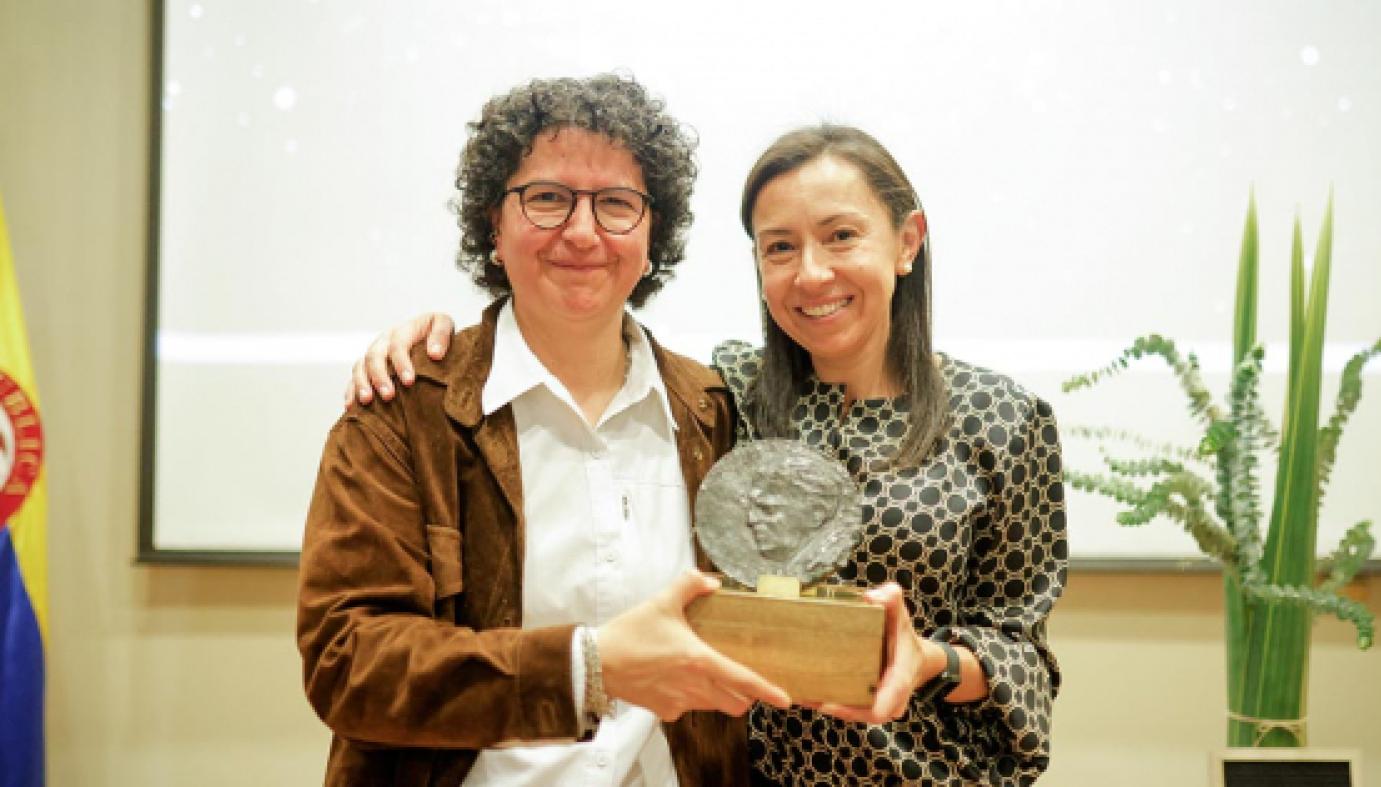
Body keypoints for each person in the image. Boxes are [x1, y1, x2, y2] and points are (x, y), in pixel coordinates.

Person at [350, 125, 1068, 785]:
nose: (811, 273)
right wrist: (437, 335)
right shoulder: (728, 399)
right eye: (779, 246)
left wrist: (930, 662)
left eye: (841, 235)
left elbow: (1025, 654)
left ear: (908, 240)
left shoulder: (1002, 420)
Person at [296, 74, 791, 787]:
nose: (583, 232)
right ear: (494, 227)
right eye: (548, 198)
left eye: (617, 204)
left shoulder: (713, 410)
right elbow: (349, 662)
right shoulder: (403, 408)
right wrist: (589, 667)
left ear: (653, 235)